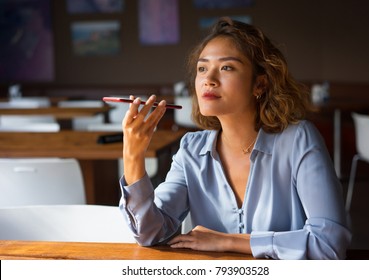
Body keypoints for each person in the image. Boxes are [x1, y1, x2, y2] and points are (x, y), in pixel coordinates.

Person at [119, 17, 352, 259]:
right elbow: (149, 233)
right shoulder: (191, 150)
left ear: (259, 84)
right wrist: (133, 157)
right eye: (202, 68)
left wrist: (228, 241)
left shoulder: (299, 140)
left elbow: (329, 245)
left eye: (226, 67)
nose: (209, 79)